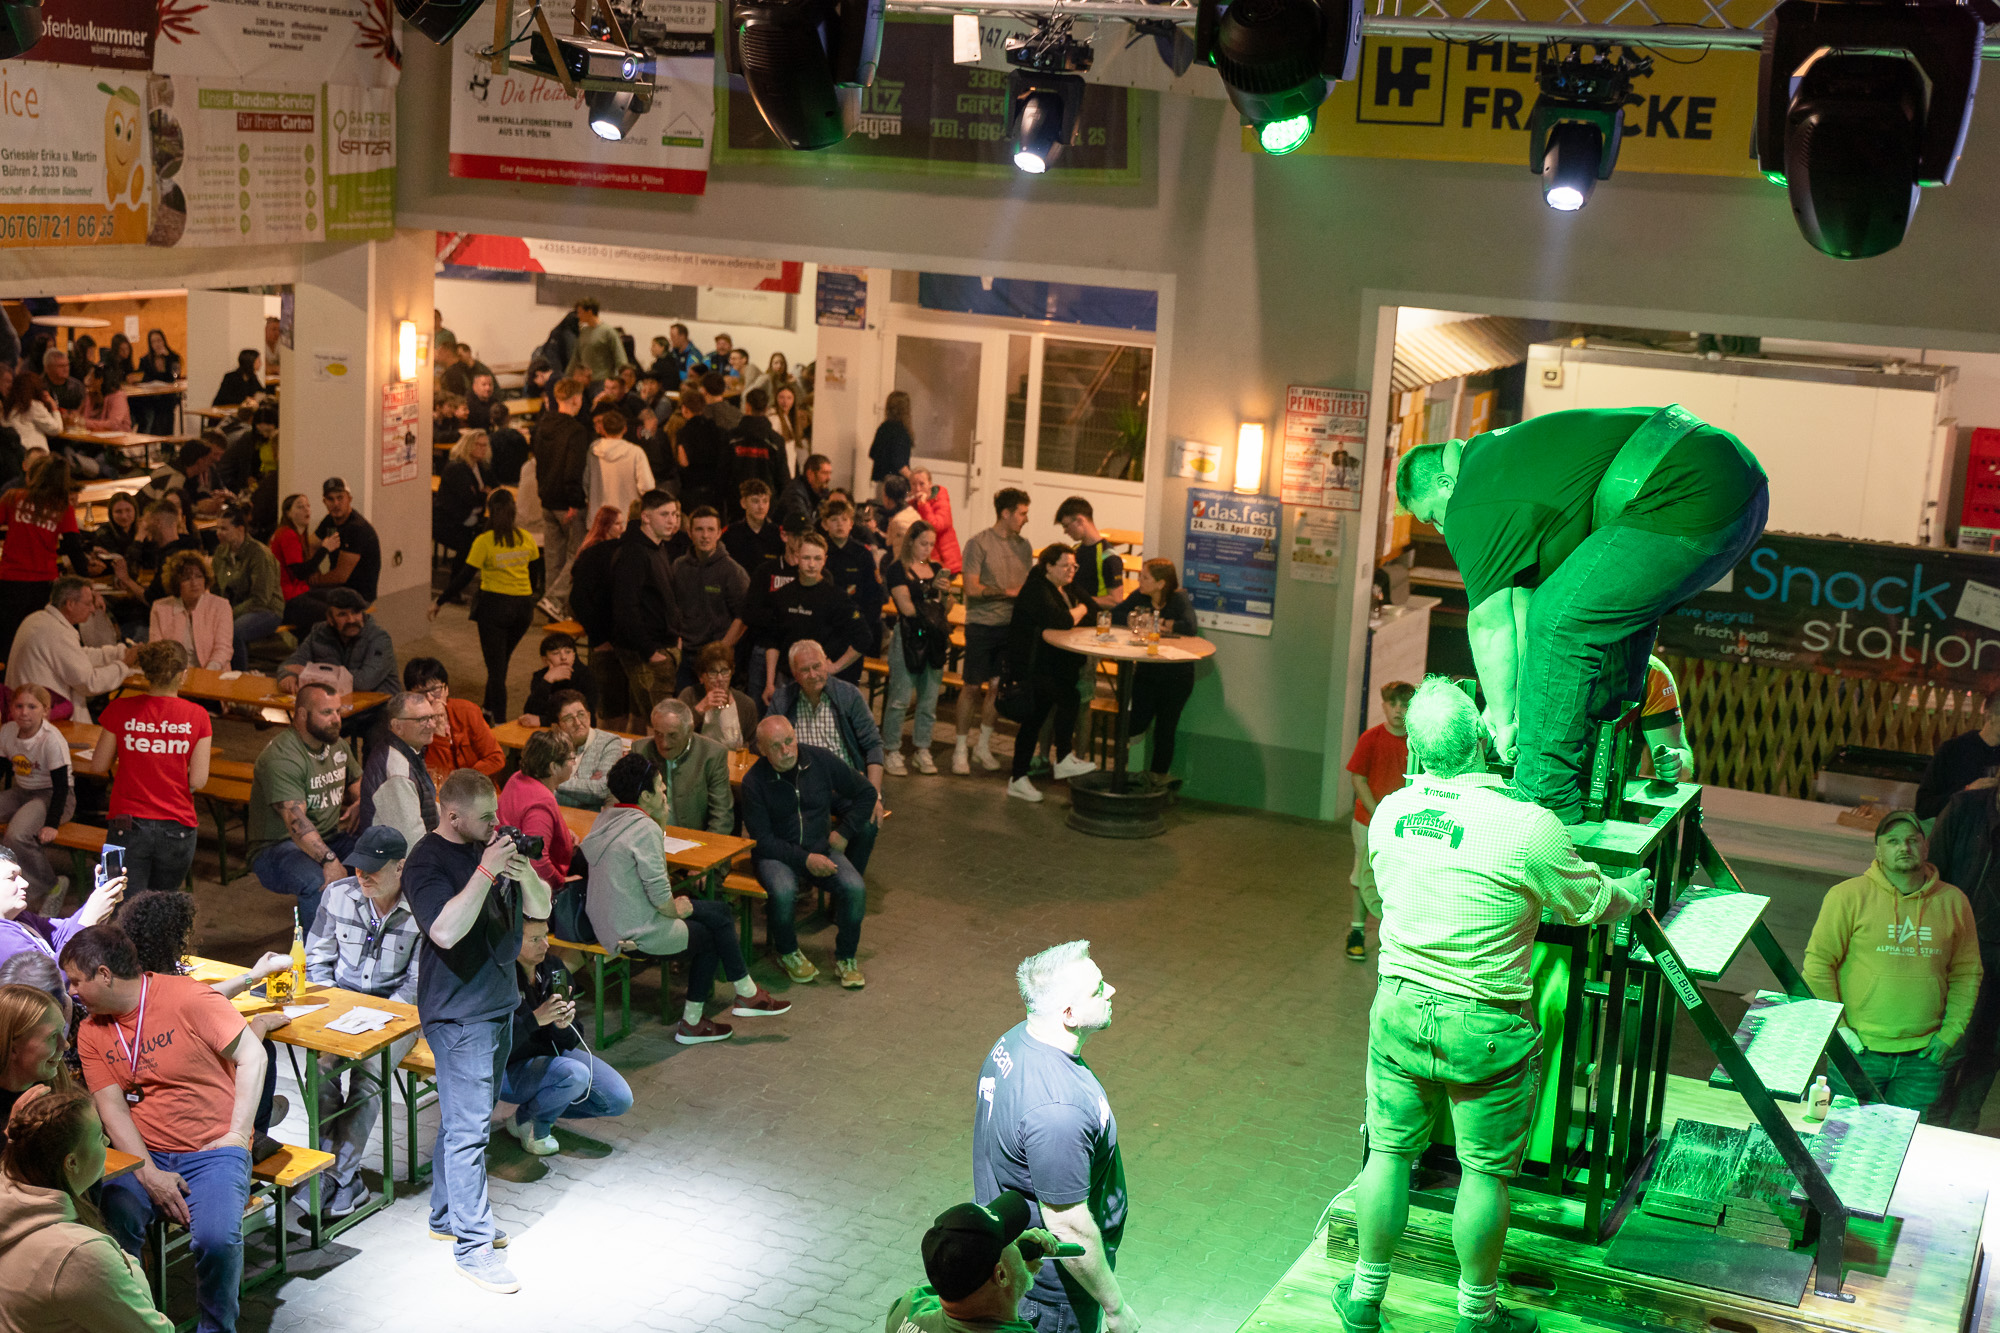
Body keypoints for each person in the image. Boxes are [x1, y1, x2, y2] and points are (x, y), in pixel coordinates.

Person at [1339, 677, 1649, 1333]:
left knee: (1388, 1153)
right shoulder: (1527, 826)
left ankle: (1365, 1296)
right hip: (1484, 1022)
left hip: (1399, 1009)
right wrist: (1634, 891)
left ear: (1414, 750)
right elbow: (1588, 902)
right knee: (1482, 1173)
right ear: (1481, 738)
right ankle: (1477, 1314)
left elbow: (1393, 886)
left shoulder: (1391, 812)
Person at [1395, 407, 1768, 824]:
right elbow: (1521, 610)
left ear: (1446, 484)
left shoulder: (1470, 500)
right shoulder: (1504, 469)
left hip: (1689, 489)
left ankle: (1544, 804)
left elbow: (1490, 624)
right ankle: (1597, 763)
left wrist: (1502, 720)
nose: (1441, 530)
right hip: (1734, 484)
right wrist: (1507, 710)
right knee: (1589, 618)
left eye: (1432, 516)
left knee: (1560, 621)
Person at [63, 923, 267, 1333]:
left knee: (217, 1241)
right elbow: (112, 1107)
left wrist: (236, 1135)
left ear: (104, 974)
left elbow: (253, 1057)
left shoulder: (188, 997)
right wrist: (148, 1172)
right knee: (113, 1225)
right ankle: (136, 1324)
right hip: (142, 1151)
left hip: (212, 1150)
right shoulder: (91, 1031)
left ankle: (216, 1328)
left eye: (76, 981)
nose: (71, 992)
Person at [402, 768, 551, 1293]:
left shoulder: (487, 847)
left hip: (497, 1005)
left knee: (463, 1122)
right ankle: (473, 1247)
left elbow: (541, 908)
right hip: (459, 1014)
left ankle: (448, 1216)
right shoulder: (426, 860)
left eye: (497, 815)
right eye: (486, 817)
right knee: (469, 1132)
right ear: (452, 815)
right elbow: (444, 930)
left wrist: (522, 871)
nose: (496, 825)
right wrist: (487, 871)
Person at [973, 941, 1133, 1333]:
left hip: (1017, 1264)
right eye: (1098, 989)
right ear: (1069, 1014)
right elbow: (1067, 1226)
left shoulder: (1016, 1040)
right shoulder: (1057, 1112)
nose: (1111, 990)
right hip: (1052, 1299)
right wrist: (1115, 1308)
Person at [582, 752, 789, 1045]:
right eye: (660, 786)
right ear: (645, 796)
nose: (665, 790)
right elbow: (659, 895)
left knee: (719, 913)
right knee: (712, 933)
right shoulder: (643, 828)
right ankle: (704, 1016)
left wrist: (661, 821)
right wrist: (676, 908)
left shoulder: (607, 819)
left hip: (608, 923)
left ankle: (744, 994)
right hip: (634, 932)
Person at [1802, 811, 1982, 1117]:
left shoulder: (1953, 901)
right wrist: (1838, 1029)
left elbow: (1967, 972)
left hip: (1923, 1057)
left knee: (1905, 1141)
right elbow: (1818, 965)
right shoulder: (1847, 896)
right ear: (1878, 850)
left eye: (1913, 840)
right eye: (1893, 841)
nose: (1904, 847)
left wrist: (1950, 1033)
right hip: (1860, 1049)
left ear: (1926, 847)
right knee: (1843, 1135)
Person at [297, 825, 419, 1218]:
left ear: (400, 867)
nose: (362, 875)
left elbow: (416, 985)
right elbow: (317, 960)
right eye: (358, 866)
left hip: (396, 1015)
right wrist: (335, 1009)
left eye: (373, 868)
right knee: (320, 1068)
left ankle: (332, 1176)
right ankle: (340, 1177)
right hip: (341, 1007)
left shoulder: (422, 907)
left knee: (369, 1073)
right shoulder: (338, 895)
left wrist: (379, 1023)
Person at [0, 1085, 177, 1331]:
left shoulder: (6, 1193)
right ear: (71, 1162)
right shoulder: (78, 1254)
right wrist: (129, 1265)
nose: (107, 1141)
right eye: (98, 1136)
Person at [741, 715, 874, 989]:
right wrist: (805, 859)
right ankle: (787, 951)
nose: (786, 750)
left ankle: (846, 957)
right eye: (775, 746)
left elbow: (866, 793)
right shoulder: (753, 781)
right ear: (762, 750)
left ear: (796, 736)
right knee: (783, 891)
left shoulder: (819, 760)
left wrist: (844, 832)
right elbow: (763, 841)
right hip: (776, 855)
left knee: (855, 888)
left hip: (820, 848)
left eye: (789, 741)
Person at [497, 917, 634, 1155]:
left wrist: (562, 1026)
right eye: (535, 939)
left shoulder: (554, 968)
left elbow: (572, 1038)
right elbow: (495, 1046)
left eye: (545, 935)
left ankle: (525, 1115)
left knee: (619, 1099)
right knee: (575, 1074)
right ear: (513, 942)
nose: (545, 944)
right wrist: (534, 1020)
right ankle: (534, 1125)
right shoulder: (498, 978)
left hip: (550, 1057)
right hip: (507, 1067)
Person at [88, 641, 212, 896]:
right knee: (161, 907)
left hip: (125, 822)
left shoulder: (120, 708)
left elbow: (99, 764)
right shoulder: (198, 715)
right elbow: (198, 780)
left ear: (146, 673)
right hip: (177, 824)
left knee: (118, 901)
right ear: (183, 674)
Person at [247, 682, 359, 935]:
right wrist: (329, 860)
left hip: (330, 837)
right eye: (326, 712)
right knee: (317, 881)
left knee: (380, 860)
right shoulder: (282, 757)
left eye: (338, 711)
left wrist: (360, 801)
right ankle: (316, 953)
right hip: (278, 847)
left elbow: (358, 781)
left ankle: (361, 941)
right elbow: (295, 823)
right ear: (301, 715)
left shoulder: (336, 745)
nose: (336, 720)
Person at [432, 490, 543, 721]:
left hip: (494, 608)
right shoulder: (526, 538)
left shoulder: (484, 541)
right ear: (513, 511)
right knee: (500, 662)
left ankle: (500, 723)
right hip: (523, 609)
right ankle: (488, 708)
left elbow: (464, 577)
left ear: (490, 511)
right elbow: (534, 578)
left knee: (496, 670)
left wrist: (440, 601)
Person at [1928, 776, 2000, 1130]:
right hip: (1960, 948)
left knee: (1990, 1050)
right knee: (1950, 1043)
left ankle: (1962, 1128)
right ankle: (1930, 1124)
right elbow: (1932, 873)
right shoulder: (1965, 809)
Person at [888, 1192, 1062, 1333]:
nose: (1017, 1242)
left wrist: (1015, 1270)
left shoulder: (908, 1308)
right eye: (1010, 1242)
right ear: (1001, 1275)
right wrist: (1017, 1273)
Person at [1005, 545, 1097, 804]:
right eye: (1065, 566)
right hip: (1033, 667)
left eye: (1074, 566)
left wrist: (1080, 609)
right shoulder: (1037, 588)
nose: (1071, 571)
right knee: (1049, 709)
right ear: (1048, 566)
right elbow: (1062, 620)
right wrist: (1079, 611)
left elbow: (1093, 608)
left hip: (1055, 665)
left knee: (1054, 708)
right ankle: (1027, 774)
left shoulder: (1067, 588)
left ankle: (1041, 768)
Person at [958, 489, 1033, 776]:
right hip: (982, 624)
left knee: (997, 688)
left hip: (1011, 627)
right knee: (971, 687)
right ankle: (960, 748)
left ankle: (983, 745)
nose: (1026, 519)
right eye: (1022, 513)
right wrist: (1006, 592)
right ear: (1005, 513)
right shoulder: (979, 543)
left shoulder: (1024, 546)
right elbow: (971, 588)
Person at [1342, 681, 1414, 963]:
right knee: (1363, 874)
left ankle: (1397, 937)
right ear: (1383, 706)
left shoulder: (1417, 743)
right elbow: (1358, 778)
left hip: (1404, 826)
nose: (1398, 710)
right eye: (1392, 704)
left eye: (1404, 705)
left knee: (1401, 878)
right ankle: (1357, 932)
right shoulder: (1370, 738)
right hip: (1368, 821)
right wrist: (1378, 812)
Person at [0, 454, 92, 659]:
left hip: (11, 579)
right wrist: (88, 583)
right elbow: (74, 548)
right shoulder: (62, 508)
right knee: (40, 639)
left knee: (8, 641)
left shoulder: (13, 498)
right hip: (43, 582)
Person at [7, 579, 136, 723]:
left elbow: (77, 655)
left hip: (25, 711)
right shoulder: (56, 632)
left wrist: (119, 653)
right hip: (41, 721)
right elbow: (89, 683)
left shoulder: (38, 619)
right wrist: (124, 665)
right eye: (88, 603)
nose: (93, 609)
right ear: (70, 604)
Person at [772, 640, 886, 803]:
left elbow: (873, 745)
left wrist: (874, 795)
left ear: (826, 664)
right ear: (794, 674)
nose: (813, 675)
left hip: (844, 787)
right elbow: (765, 742)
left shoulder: (849, 695)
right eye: (805, 670)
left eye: (817, 666)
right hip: (802, 788)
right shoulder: (782, 700)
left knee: (865, 816)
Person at [611, 489, 685, 730]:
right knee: (662, 725)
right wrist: (650, 651)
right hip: (648, 653)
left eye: (674, 514)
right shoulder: (634, 553)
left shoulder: (657, 547)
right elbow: (626, 608)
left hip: (661, 646)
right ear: (645, 516)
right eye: (664, 514)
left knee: (642, 718)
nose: (672, 520)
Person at [762, 535, 868, 701]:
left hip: (819, 682)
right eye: (806, 558)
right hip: (787, 679)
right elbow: (772, 641)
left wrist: (835, 667)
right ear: (797, 557)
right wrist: (769, 682)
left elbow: (864, 638)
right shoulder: (783, 595)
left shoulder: (837, 598)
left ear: (825, 560)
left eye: (817, 558)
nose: (812, 564)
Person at [0, 836, 121, 977]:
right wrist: (88, 920)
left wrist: (99, 898)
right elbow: (49, 981)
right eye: (12, 878)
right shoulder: (3, 938)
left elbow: (61, 933)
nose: (25, 883)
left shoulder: (19, 918)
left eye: (21, 876)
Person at [0, 685, 72, 895]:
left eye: (32, 707)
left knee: (17, 834)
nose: (24, 712)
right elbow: (1, 768)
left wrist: (52, 824)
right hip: (22, 791)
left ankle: (50, 886)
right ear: (11, 708)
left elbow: (61, 786)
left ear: (45, 710)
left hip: (52, 795)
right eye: (19, 706)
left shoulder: (50, 739)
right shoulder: (7, 731)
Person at [530, 380, 593, 619]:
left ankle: (552, 609)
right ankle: (555, 601)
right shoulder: (576, 431)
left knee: (553, 558)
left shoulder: (543, 425)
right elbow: (573, 470)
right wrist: (575, 502)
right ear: (576, 398)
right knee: (577, 554)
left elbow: (538, 464)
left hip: (546, 498)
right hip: (567, 502)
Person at [671, 506, 749, 693]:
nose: (705, 535)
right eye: (699, 529)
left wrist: (721, 649)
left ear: (719, 533)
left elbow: (744, 616)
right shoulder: (679, 567)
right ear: (690, 532)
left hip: (717, 660)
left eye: (710, 529)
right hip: (684, 655)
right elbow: (671, 607)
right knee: (684, 706)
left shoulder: (732, 571)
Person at [632, 699, 733, 834]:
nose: (664, 743)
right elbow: (625, 805)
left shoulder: (712, 754)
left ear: (689, 730)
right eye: (658, 734)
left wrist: (707, 846)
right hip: (649, 836)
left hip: (696, 839)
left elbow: (721, 816)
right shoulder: (640, 750)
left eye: (672, 735)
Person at [357, 691, 442, 850]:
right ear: (397, 726)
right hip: (391, 861)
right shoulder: (397, 771)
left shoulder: (408, 751)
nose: (431, 725)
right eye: (422, 720)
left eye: (432, 717)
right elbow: (411, 844)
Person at [496, 729, 578, 892]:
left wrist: (562, 834)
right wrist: (561, 883)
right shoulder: (541, 802)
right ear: (553, 767)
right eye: (571, 759)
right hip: (529, 891)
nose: (574, 763)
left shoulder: (517, 778)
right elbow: (537, 862)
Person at [277, 587, 399, 696]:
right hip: (337, 704)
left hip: (377, 708)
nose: (351, 620)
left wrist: (312, 675)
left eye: (355, 613)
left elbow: (365, 681)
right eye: (342, 615)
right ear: (330, 619)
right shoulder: (319, 634)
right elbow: (291, 664)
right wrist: (288, 676)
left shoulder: (379, 638)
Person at [407, 658, 505, 788]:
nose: (430, 698)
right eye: (421, 693)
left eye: (435, 690)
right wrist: (438, 731)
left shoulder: (468, 712)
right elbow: (436, 778)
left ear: (446, 689)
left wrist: (463, 779)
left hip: (476, 790)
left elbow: (496, 758)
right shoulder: (409, 727)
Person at [208, 503, 283, 670]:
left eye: (224, 529)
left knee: (235, 632)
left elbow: (260, 598)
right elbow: (216, 589)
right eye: (217, 528)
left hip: (266, 610)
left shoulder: (259, 554)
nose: (219, 533)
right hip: (233, 609)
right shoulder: (221, 552)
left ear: (240, 529)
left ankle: (239, 675)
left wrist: (227, 614)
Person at [821, 497, 883, 682]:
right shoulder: (820, 552)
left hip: (852, 627)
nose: (839, 524)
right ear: (825, 524)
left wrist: (864, 625)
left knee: (848, 683)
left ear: (851, 524)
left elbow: (874, 595)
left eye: (844, 519)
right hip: (824, 627)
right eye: (834, 520)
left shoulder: (862, 554)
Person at [1918, 689, 2000, 822]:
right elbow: (1923, 808)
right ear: (1990, 715)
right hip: (1958, 831)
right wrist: (1967, 792)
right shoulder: (1953, 750)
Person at [304, 477, 383, 607]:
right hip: (337, 589)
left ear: (349, 499)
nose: (336, 504)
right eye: (330, 499)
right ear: (324, 502)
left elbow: (340, 576)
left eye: (340, 498)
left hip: (358, 595)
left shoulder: (356, 528)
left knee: (303, 604)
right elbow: (309, 545)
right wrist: (313, 570)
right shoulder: (330, 521)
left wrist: (315, 580)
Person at [148, 551, 232, 673]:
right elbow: (156, 650)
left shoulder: (221, 606)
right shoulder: (160, 607)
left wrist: (206, 674)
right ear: (176, 583)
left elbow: (223, 649)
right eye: (187, 578)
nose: (194, 583)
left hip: (212, 674)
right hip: (172, 676)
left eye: (199, 576)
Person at [550, 689, 628, 811]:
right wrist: (586, 789)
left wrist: (555, 783)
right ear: (557, 726)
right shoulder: (551, 745)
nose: (577, 723)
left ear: (589, 716)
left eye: (581, 715)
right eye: (568, 718)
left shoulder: (609, 742)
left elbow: (603, 790)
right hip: (555, 812)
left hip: (589, 818)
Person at [679, 642, 759, 749]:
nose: (720, 679)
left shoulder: (746, 704)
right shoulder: (689, 695)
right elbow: (676, 733)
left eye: (725, 671)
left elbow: (753, 746)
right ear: (701, 676)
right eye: (713, 672)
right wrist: (699, 710)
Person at [584, 408, 655, 523]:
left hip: (599, 518)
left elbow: (586, 483)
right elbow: (647, 486)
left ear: (603, 429)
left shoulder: (593, 451)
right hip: (627, 518)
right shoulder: (635, 453)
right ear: (625, 429)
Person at [1055, 498, 1125, 611]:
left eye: (1066, 525)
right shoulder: (1074, 550)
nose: (1065, 531)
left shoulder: (1108, 556)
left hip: (1094, 617)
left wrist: (1080, 600)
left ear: (1080, 521)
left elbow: (1115, 601)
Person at [433, 430, 491, 566]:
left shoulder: (481, 466)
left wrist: (481, 493)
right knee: (471, 547)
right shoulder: (456, 468)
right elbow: (470, 498)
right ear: (468, 445)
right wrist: (483, 493)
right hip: (449, 522)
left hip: (470, 520)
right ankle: (458, 578)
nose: (483, 449)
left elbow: (493, 486)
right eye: (478, 445)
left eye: (485, 445)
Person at [676, 379, 732, 516]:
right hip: (715, 490)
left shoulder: (684, 432)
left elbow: (684, 461)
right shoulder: (718, 430)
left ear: (685, 409)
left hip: (693, 490)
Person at [270, 492, 326, 628]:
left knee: (341, 599)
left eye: (308, 506)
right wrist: (325, 549)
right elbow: (300, 572)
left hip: (298, 591)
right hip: (288, 597)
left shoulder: (298, 534)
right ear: (288, 513)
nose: (306, 510)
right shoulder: (287, 535)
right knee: (331, 612)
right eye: (300, 507)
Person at [521, 631, 598, 728]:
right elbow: (530, 712)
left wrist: (543, 721)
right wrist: (547, 681)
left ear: (574, 655)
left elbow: (586, 717)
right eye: (556, 653)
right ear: (545, 659)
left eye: (568, 652)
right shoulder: (541, 677)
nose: (563, 657)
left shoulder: (585, 676)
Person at [724, 479, 785, 572]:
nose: (761, 507)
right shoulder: (731, 534)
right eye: (755, 501)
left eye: (765, 501)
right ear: (743, 503)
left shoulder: (778, 534)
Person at [909, 467, 962, 574]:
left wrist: (924, 505)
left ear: (930, 484)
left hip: (947, 564)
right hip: (926, 564)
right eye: (914, 484)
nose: (917, 489)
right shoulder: (912, 505)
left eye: (922, 484)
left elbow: (936, 526)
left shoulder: (941, 498)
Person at [131, 328, 182, 436]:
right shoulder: (145, 360)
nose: (157, 344)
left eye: (159, 340)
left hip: (167, 396)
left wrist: (167, 358)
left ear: (164, 341)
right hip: (151, 396)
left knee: (167, 408)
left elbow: (175, 376)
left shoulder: (172, 357)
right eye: (153, 342)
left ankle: (167, 441)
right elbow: (143, 378)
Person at [566, 297, 629, 383]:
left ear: (589, 312)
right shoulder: (583, 332)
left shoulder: (608, 332)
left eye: (580, 312)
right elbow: (575, 358)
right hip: (585, 382)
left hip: (602, 381)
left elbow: (620, 359)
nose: (578, 316)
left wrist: (621, 381)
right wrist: (567, 377)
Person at [870, 391, 916, 504]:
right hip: (897, 487)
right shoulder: (901, 432)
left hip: (881, 484)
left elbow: (872, 453)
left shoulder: (883, 428)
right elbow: (899, 464)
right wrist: (914, 479)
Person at [2, 372, 60, 461]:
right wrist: (54, 407)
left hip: (12, 456)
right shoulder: (33, 406)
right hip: (34, 456)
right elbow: (56, 429)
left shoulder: (8, 406)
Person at [776, 453, 832, 529]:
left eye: (830, 473)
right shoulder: (795, 493)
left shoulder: (823, 494)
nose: (829, 478)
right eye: (824, 473)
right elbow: (802, 520)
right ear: (810, 474)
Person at [487, 403, 530, 487]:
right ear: (508, 418)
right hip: (520, 479)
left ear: (491, 420)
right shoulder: (518, 436)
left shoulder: (491, 440)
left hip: (500, 482)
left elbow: (491, 465)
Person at [79, 366, 131, 435]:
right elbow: (79, 416)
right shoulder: (90, 395)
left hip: (117, 437)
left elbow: (113, 424)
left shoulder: (117, 397)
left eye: (91, 377)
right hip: (91, 436)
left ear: (100, 380)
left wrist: (84, 423)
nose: (87, 380)